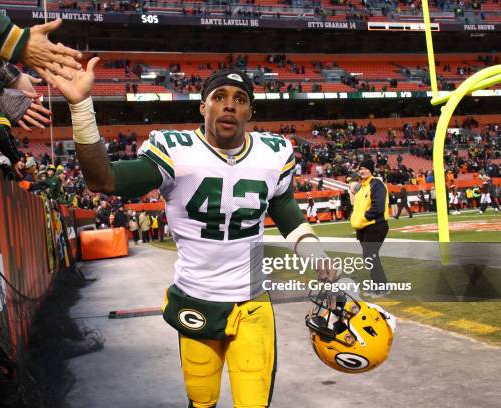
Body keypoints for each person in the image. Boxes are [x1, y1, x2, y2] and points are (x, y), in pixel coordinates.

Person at [49, 63, 335, 408]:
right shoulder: (175, 149)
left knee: (254, 403)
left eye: (240, 99)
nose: (229, 104)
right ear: (203, 106)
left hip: (253, 301)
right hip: (197, 299)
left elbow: (283, 205)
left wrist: (312, 250)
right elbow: (103, 180)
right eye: (219, 96)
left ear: (250, 111)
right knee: (202, 402)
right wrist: (81, 107)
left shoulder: (273, 152)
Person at [350, 159, 390, 296]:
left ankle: (382, 286)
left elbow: (378, 207)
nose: (362, 171)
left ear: (371, 170)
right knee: (370, 257)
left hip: (375, 225)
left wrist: (363, 218)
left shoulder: (376, 184)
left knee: (370, 256)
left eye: (365, 168)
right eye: (360, 169)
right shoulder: (361, 187)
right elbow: (356, 207)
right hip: (363, 228)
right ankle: (378, 285)